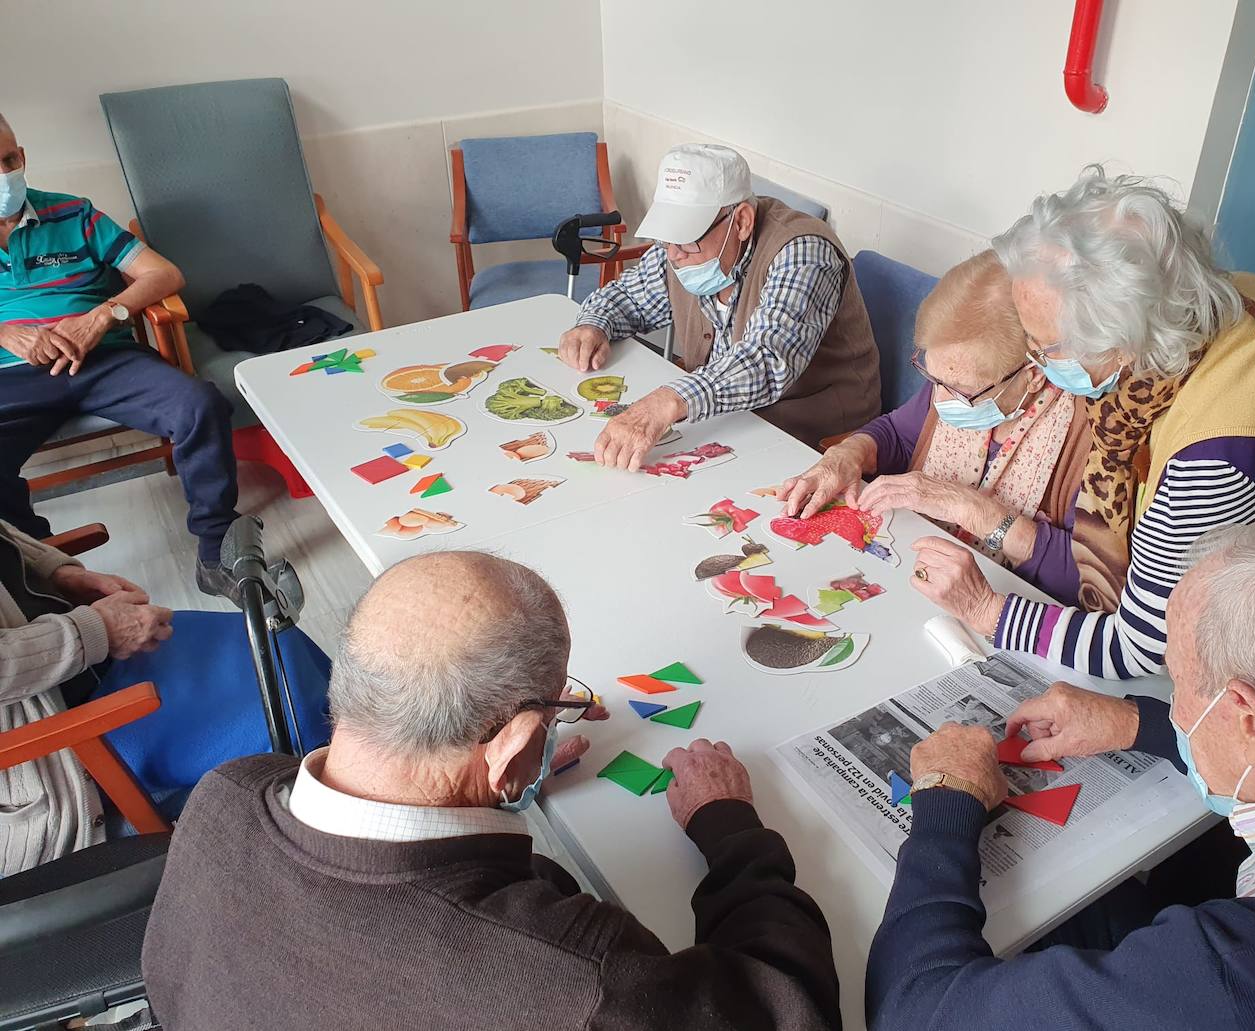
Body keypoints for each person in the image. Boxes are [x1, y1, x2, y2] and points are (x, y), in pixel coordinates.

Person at [143, 551, 841, 1031]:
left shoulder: (225, 794)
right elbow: (785, 1008)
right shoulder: (582, 980)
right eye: (553, 707)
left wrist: (503, 783)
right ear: (509, 744)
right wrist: (732, 830)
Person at [866, 516, 1255, 1031]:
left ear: (1249, 722)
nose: (1175, 705)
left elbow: (912, 1011)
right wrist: (1137, 722)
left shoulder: (1245, 975)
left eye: (1177, 681)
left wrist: (946, 797)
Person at [905, 167, 1255, 677]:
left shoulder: (1211, 459)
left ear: (1125, 338)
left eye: (1049, 350)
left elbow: (1136, 649)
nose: (1039, 368)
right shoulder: (1234, 294)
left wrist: (986, 610)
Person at [0, 113, 242, 601]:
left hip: (104, 357)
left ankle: (216, 552)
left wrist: (103, 315)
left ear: (21, 158)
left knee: (199, 405)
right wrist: (7, 333)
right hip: (14, 377)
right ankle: (46, 567)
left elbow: (164, 275)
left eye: (6, 161)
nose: (2, 176)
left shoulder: (74, 213)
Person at [0, 520, 329, 875]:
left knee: (277, 644)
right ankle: (328, 820)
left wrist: (56, 573)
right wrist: (93, 632)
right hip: (49, 743)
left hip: (79, 665)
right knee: (285, 701)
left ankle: (341, 764)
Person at [776, 251, 1088, 602]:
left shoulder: (1089, 435)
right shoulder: (954, 377)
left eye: (960, 391)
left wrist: (966, 507)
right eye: (931, 378)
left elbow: (1084, 582)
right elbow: (897, 434)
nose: (939, 402)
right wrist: (849, 453)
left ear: (1031, 376)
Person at [558, 144, 879, 463]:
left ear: (741, 221)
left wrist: (669, 401)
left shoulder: (804, 252)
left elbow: (766, 361)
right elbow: (629, 298)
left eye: (685, 236)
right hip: (728, 424)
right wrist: (593, 324)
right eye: (666, 237)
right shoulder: (680, 248)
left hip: (812, 442)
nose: (672, 254)